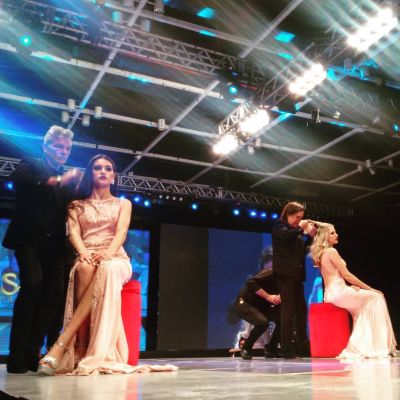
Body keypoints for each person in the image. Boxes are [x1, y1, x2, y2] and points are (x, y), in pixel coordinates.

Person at [38, 154, 176, 376]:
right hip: (87, 254)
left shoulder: (123, 204)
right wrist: (83, 253)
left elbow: (121, 233)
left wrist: (108, 253)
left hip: (115, 257)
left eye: (108, 168)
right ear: (90, 173)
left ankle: (62, 343)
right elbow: (73, 233)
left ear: (113, 176)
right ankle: (81, 348)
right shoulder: (76, 205)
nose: (103, 171)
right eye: (97, 168)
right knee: (83, 268)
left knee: (107, 268)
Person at [3, 125, 81, 373]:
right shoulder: (31, 163)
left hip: (55, 247)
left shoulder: (67, 182)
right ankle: (16, 355)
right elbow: (19, 179)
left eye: (67, 148)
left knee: (54, 296)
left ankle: (32, 352)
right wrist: (57, 180)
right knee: (32, 286)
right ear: (46, 147)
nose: (63, 151)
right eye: (58, 146)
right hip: (30, 241)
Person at [309, 222, 397, 358]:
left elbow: (333, 277)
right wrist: (371, 289)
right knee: (376, 297)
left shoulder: (321, 254)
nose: (336, 235)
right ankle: (374, 345)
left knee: (361, 309)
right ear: (325, 236)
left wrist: (348, 288)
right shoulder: (332, 251)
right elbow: (347, 275)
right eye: (332, 233)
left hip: (331, 293)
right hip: (338, 292)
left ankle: (367, 344)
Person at [272, 202, 316, 358]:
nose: (299, 220)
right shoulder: (279, 226)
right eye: (297, 217)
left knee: (301, 310)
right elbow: (285, 237)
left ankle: (302, 345)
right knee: (288, 310)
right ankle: (287, 348)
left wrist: (309, 237)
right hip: (285, 274)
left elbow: (300, 250)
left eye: (301, 217)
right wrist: (301, 228)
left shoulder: (295, 231)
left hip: (297, 274)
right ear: (288, 214)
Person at [235, 246, 282, 360]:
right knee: (262, 323)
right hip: (245, 303)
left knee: (283, 319)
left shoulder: (285, 279)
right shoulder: (270, 272)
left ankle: (272, 348)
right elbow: (251, 283)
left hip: (260, 306)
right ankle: (246, 348)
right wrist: (268, 297)